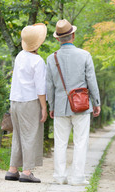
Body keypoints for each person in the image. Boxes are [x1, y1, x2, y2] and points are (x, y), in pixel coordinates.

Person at [46, 19, 101, 185]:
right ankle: (77, 178)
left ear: (57, 39)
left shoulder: (51, 58)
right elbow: (91, 80)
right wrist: (96, 102)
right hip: (82, 104)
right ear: (73, 35)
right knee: (81, 141)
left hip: (61, 106)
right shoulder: (85, 55)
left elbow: (49, 85)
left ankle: (59, 176)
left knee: (60, 142)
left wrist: (52, 106)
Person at [5, 23, 48, 183]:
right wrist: (44, 107)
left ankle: (12, 169)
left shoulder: (20, 56)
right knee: (30, 135)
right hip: (30, 102)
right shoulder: (37, 61)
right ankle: (27, 172)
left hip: (15, 101)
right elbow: (40, 88)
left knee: (18, 134)